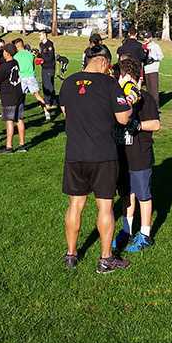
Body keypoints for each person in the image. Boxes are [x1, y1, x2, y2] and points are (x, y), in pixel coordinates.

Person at [59, 44, 132, 273]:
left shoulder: (69, 82)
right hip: (103, 154)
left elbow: (66, 112)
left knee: (75, 205)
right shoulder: (110, 83)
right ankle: (105, 259)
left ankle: (71, 254)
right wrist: (129, 106)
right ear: (103, 62)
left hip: (75, 153)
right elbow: (122, 119)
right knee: (105, 207)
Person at [113, 58, 160, 254]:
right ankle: (127, 230)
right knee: (126, 195)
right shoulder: (118, 97)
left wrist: (138, 125)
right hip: (123, 155)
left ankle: (145, 234)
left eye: (120, 77)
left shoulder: (145, 98)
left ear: (126, 76)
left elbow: (156, 125)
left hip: (140, 155)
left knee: (143, 196)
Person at [0, 42, 25, 153]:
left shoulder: (5, 66)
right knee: (19, 119)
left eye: (4, 51)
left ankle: (9, 146)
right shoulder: (15, 62)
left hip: (8, 95)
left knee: (10, 121)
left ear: (7, 53)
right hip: (18, 93)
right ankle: (22, 144)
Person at [13, 38, 51, 121]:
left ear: (17, 46)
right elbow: (33, 66)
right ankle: (46, 112)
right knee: (37, 96)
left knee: (19, 97)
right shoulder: (30, 54)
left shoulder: (15, 56)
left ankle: (17, 114)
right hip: (31, 77)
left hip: (22, 77)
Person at [143, 31, 164, 105]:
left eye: (147, 38)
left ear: (151, 38)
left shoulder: (155, 46)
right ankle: (150, 107)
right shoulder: (143, 46)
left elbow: (161, 56)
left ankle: (156, 107)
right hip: (146, 69)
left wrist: (153, 58)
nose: (146, 39)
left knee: (154, 90)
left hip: (153, 69)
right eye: (145, 38)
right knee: (148, 90)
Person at [38, 31, 58, 107]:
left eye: (40, 35)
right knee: (44, 85)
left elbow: (50, 57)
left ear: (44, 35)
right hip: (44, 67)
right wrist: (37, 55)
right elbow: (41, 54)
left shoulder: (49, 44)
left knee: (49, 85)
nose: (39, 36)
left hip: (50, 67)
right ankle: (48, 101)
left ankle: (51, 102)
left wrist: (42, 60)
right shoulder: (41, 44)